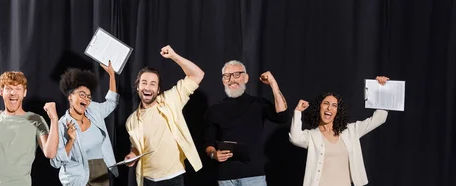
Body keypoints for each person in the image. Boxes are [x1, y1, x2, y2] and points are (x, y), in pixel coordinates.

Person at [124, 45, 205, 186]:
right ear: (138, 87)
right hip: (147, 179)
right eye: (144, 83)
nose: (148, 87)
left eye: (153, 84)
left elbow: (197, 75)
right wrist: (132, 155)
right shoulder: (131, 120)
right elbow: (136, 146)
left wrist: (174, 56)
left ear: (158, 89)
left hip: (173, 177)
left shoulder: (171, 99)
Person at [289, 76, 390, 186]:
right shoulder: (312, 136)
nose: (329, 108)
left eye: (334, 105)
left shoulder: (351, 131)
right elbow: (295, 138)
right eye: (326, 103)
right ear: (319, 107)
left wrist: (380, 89)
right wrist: (298, 111)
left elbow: (380, 118)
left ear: (338, 111)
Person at [203, 60, 289, 186]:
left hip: (254, 176)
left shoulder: (258, 104)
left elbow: (282, 116)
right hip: (226, 178)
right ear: (223, 80)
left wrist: (273, 84)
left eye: (237, 74)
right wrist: (213, 154)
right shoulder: (214, 110)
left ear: (246, 78)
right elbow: (207, 143)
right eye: (227, 76)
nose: (232, 79)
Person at [50, 62, 119, 186]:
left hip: (100, 174)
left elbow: (111, 103)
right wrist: (70, 141)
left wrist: (112, 75)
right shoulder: (61, 125)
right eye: (82, 95)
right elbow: (55, 162)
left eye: (88, 97)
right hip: (77, 179)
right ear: (70, 97)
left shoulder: (94, 111)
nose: (86, 99)